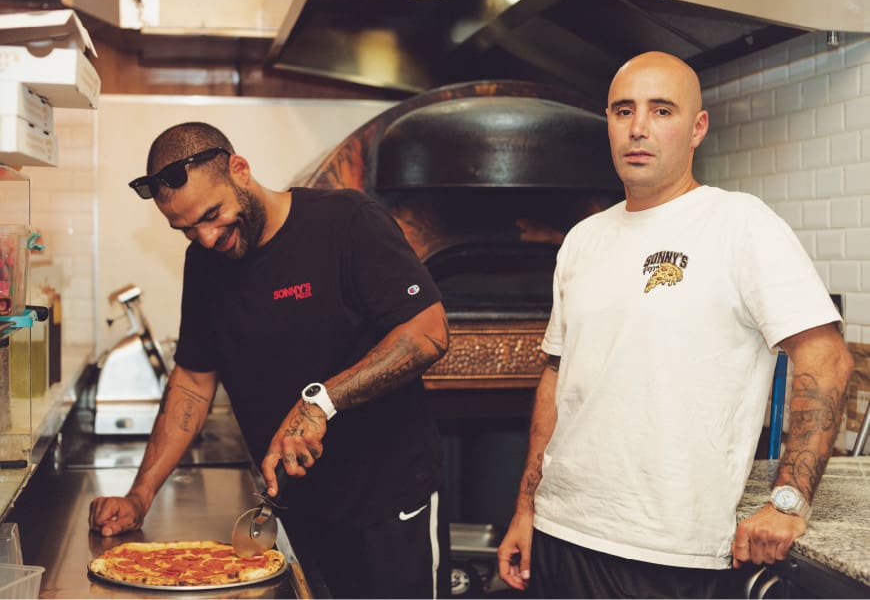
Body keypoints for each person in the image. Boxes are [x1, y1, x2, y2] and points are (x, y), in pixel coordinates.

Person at [496, 51, 853, 598]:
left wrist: (789, 499)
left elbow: (826, 357)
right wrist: (527, 507)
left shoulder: (738, 223)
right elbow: (558, 377)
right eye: (623, 111)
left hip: (669, 550)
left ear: (697, 128)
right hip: (561, 533)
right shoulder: (582, 240)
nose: (639, 128)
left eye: (662, 111)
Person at [88, 122, 451, 599]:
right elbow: (194, 382)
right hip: (299, 513)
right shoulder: (204, 263)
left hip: (388, 504)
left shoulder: (347, 221)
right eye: (186, 229)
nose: (207, 237)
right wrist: (141, 494)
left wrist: (321, 402)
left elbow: (428, 333)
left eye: (213, 215)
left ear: (240, 171)